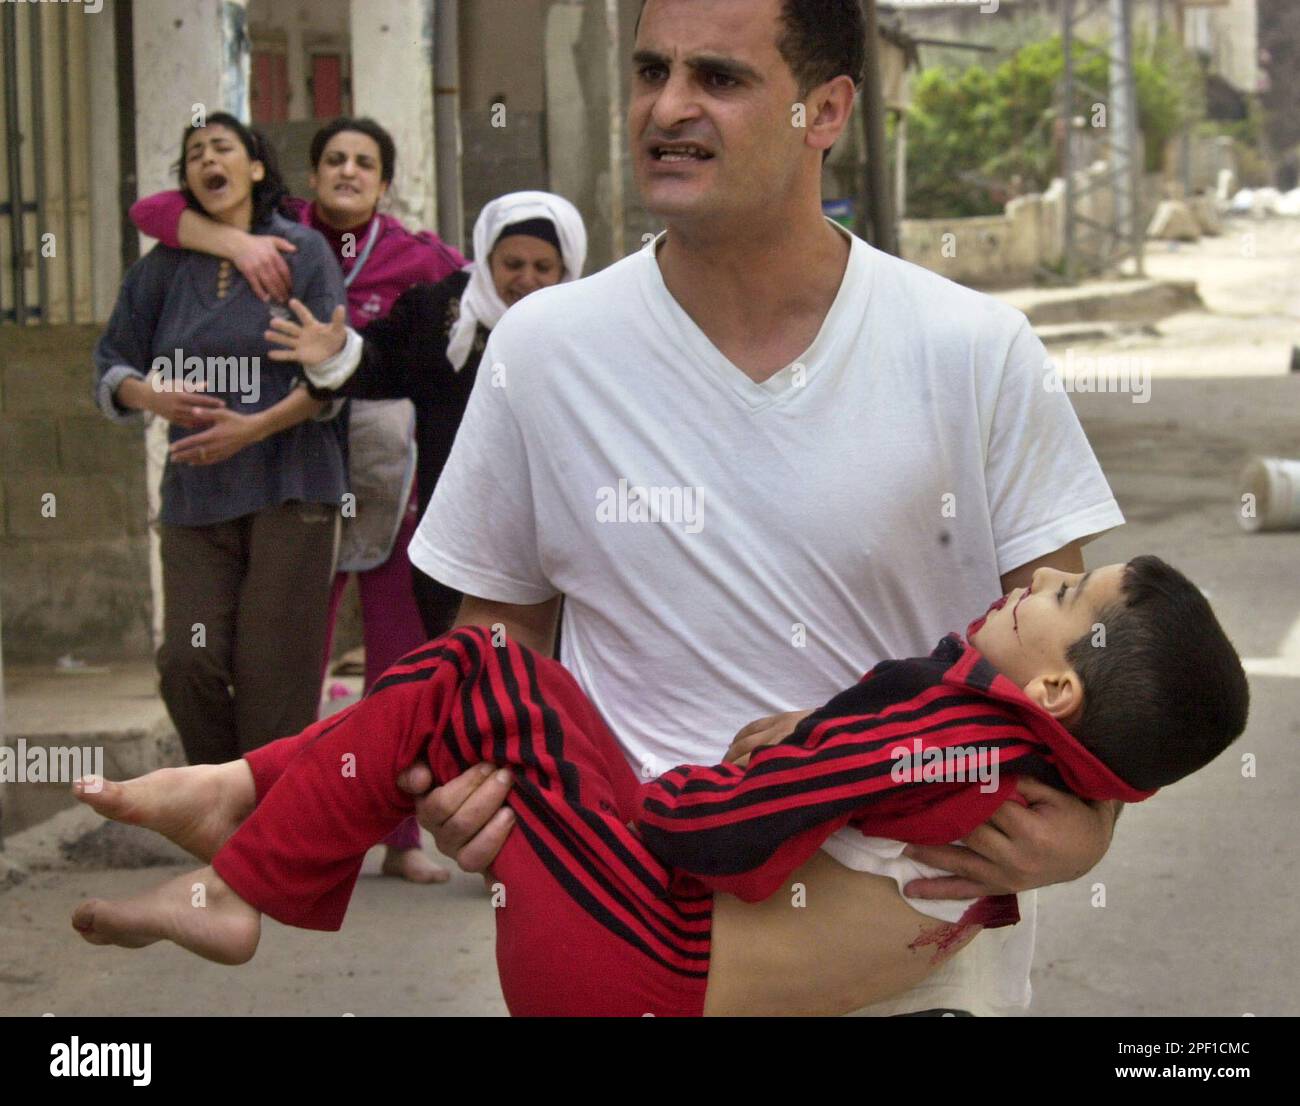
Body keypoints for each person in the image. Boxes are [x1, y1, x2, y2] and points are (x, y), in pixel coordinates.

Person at [278, 0, 1131, 1017]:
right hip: (624, 925)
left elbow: (1078, 667)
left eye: (717, 79)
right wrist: (472, 785)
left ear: (824, 110)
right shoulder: (547, 350)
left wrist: (1089, 826)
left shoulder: (975, 349)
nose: (665, 108)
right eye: (648, 72)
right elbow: (499, 641)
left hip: (911, 953)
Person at [68, 558, 1250, 1016]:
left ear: (1053, 694)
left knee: (485, 676)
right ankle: (247, 805)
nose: (1040, 575)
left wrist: (674, 792)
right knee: (484, 668)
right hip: (654, 953)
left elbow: (728, 831)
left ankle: (244, 862)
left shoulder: (948, 745)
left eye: (1065, 594)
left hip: (641, 945)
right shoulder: (1013, 770)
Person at [129, 117, 467, 884]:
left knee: (397, 665)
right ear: (309, 177)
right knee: (285, 662)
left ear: (385, 184)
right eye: (335, 160)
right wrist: (233, 243)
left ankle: (399, 837)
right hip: (287, 466)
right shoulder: (281, 235)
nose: (348, 172)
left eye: (366, 164)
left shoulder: (421, 257)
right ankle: (285, 818)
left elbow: (477, 298)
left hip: (379, 474)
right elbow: (152, 212)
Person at [93, 112, 346, 766]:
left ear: (255, 166)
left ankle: (263, 839)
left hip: (292, 491)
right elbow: (111, 360)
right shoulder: (163, 268)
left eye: (223, 146)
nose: (209, 157)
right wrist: (148, 394)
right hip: (195, 497)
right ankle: (227, 806)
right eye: (196, 151)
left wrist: (253, 427)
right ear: (188, 183)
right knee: (187, 661)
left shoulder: (302, 250)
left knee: (272, 680)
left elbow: (330, 377)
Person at [262, 191, 588, 639]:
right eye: (513, 264)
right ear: (489, 259)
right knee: (465, 674)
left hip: (557, 539)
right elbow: (380, 365)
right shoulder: (440, 313)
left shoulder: (585, 329)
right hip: (459, 538)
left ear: (565, 270)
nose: (525, 279)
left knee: (545, 679)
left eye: (542, 267)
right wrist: (335, 353)